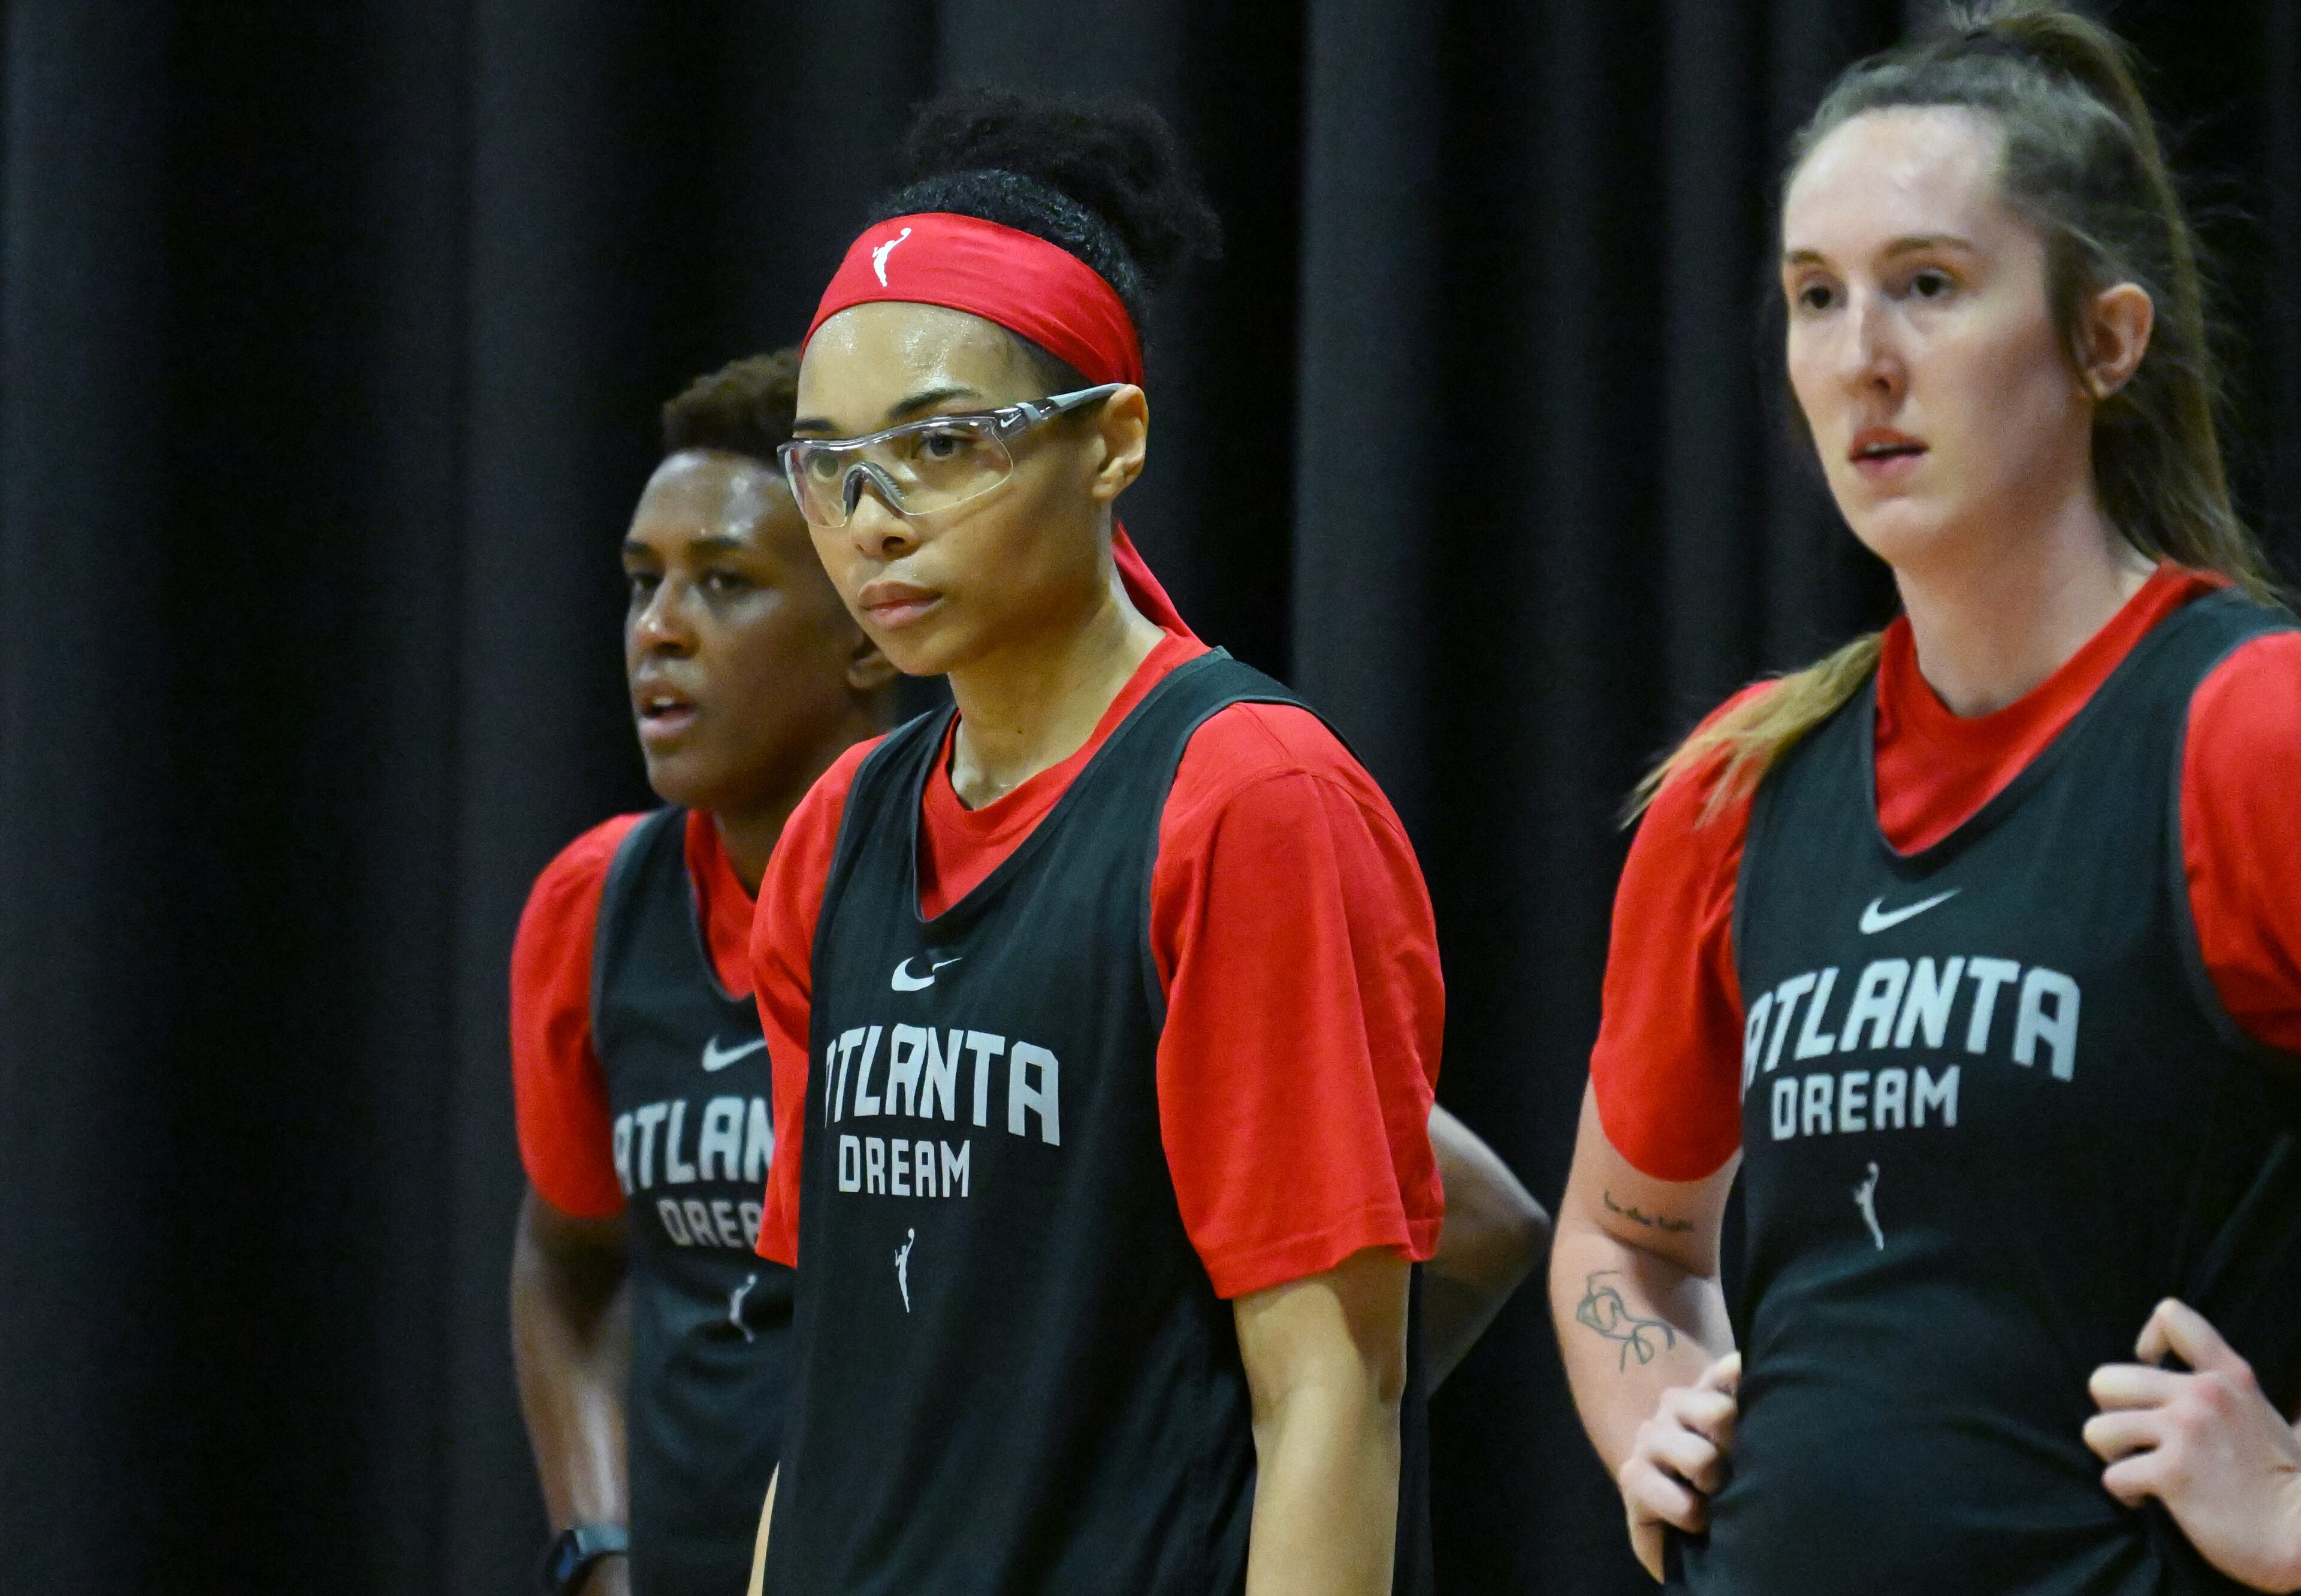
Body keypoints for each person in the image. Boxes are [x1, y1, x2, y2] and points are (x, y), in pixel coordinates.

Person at [1548, 5, 2301, 1592]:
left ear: (2105, 339)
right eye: (1817, 297)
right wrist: (1648, 1401)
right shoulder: (1743, 785)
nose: (1860, 360)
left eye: (1930, 286)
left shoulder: (2248, 730)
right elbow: (1624, 1240)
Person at [742, 89, 1453, 1596]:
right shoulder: (836, 832)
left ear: (1114, 442)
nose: (871, 519)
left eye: (943, 444)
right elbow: (832, 1394)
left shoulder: (1247, 801)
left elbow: (1333, 1394)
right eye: (828, 463)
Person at [507, 350, 898, 1596]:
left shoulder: (987, 899)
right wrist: (597, 1551)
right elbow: (565, 1264)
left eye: (723, 583)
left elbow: (1465, 1222)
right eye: (643, 582)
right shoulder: (596, 904)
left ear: (869, 636)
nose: (658, 630)